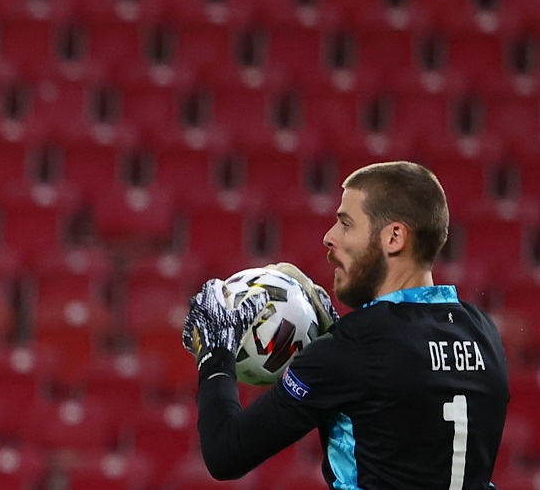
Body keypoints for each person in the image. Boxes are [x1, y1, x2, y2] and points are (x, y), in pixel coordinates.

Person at [182, 161, 509, 490]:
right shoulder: (483, 332)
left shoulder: (355, 347)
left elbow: (226, 452)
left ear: (394, 237)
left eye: (346, 224)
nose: (329, 237)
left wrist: (216, 352)